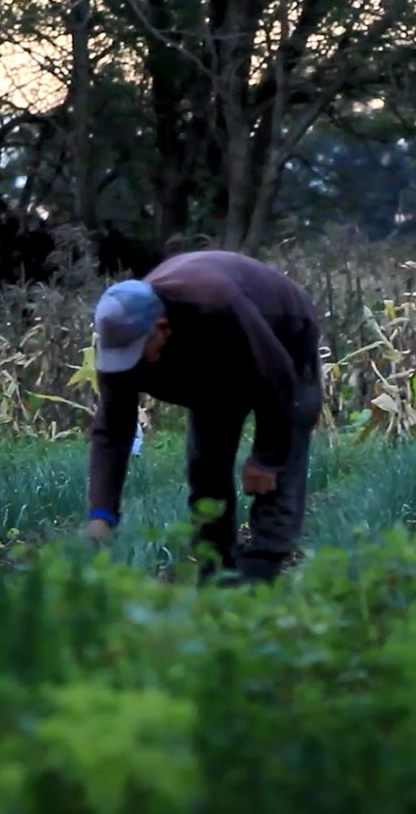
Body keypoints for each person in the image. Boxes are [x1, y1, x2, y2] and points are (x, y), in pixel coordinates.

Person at [86, 250, 323, 583]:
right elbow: (112, 430)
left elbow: (277, 376)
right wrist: (102, 513)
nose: (129, 363)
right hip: (209, 358)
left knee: (279, 462)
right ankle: (217, 567)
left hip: (284, 335)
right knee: (207, 462)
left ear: (162, 329)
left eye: (137, 352)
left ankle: (263, 565)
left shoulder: (215, 303)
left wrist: (267, 457)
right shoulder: (120, 343)